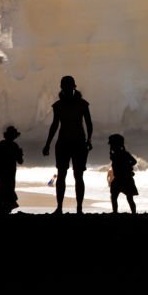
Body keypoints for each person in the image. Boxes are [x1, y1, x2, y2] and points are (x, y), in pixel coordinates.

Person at [42, 76, 93, 214]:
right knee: (64, 175)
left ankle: (78, 208)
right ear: (63, 88)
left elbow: (89, 123)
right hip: (67, 143)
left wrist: (89, 140)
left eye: (68, 86)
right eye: (65, 87)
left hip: (75, 143)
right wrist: (47, 144)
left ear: (73, 87)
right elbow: (54, 125)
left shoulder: (81, 104)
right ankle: (61, 207)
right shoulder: (61, 105)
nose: (67, 89)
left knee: (76, 176)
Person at [0, 126, 24, 215]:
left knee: (1, 192)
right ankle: (5, 211)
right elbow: (20, 161)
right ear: (14, 136)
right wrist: (20, 153)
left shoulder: (1, 144)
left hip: (1, 173)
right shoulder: (15, 146)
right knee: (9, 191)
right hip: (10, 173)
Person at [108, 134, 138, 214]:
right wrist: (128, 166)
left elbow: (134, 161)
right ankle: (133, 212)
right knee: (126, 198)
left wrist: (127, 166)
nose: (111, 146)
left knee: (116, 197)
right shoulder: (122, 153)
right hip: (124, 178)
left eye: (111, 144)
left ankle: (116, 212)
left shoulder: (120, 154)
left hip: (123, 179)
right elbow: (134, 161)